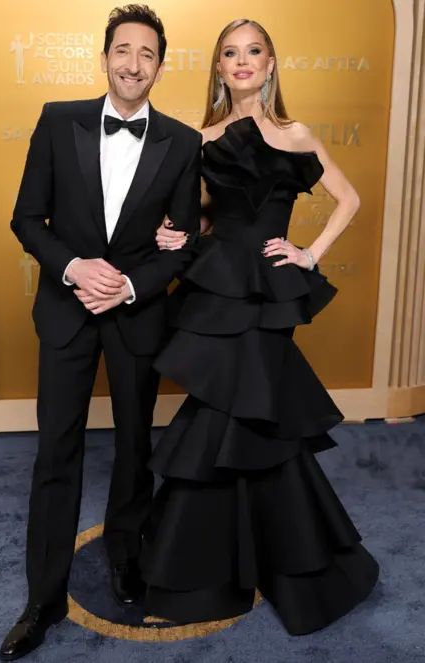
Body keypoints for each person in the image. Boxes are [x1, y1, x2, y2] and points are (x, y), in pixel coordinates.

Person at [141, 18, 379, 635]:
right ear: (218, 69)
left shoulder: (294, 132)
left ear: (271, 64)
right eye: (230, 54)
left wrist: (310, 253)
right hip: (219, 286)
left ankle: (291, 566)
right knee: (224, 413)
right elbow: (193, 220)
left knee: (255, 419)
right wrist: (176, 235)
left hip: (268, 291)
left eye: (253, 51)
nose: (242, 61)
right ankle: (220, 562)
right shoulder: (200, 137)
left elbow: (348, 199)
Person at [0, 5, 201, 660]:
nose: (133, 63)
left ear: (160, 66)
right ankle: (43, 597)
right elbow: (27, 218)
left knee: (135, 446)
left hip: (136, 313)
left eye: (147, 54)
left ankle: (125, 560)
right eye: (123, 49)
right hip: (66, 308)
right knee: (56, 449)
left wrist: (135, 283)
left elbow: (181, 242)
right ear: (105, 55)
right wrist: (73, 267)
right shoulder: (59, 120)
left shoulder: (183, 141)